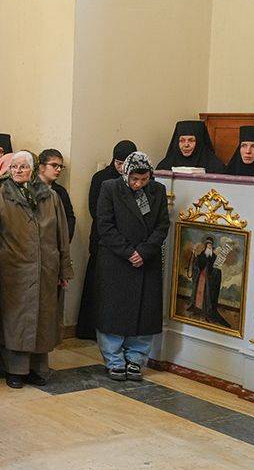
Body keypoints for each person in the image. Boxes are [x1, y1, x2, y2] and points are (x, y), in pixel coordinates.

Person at [0, 151, 72, 389]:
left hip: (46, 270)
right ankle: (15, 370)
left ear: (34, 170)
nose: (18, 170)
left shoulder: (51, 197)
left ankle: (38, 369)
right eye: (14, 167)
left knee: (42, 321)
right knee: (15, 323)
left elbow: (62, 235)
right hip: (13, 272)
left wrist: (64, 271)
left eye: (24, 167)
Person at [94, 151, 169, 381]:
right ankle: (114, 360)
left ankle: (136, 359)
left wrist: (143, 252)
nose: (138, 184)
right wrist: (129, 252)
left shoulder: (158, 191)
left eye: (144, 179)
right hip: (117, 259)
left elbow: (162, 225)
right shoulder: (110, 188)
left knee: (144, 312)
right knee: (114, 312)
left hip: (146, 259)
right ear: (126, 174)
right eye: (134, 179)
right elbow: (105, 225)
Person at [75, 139, 136, 340]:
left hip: (129, 242)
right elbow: (96, 210)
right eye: (118, 163)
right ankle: (91, 329)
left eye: (125, 164)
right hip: (103, 238)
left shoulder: (138, 180)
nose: (121, 168)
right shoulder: (101, 178)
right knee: (98, 283)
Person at [155, 119, 224, 172]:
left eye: (191, 140)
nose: (186, 145)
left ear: (200, 143)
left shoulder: (216, 167)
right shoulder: (165, 165)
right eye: (182, 140)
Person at [37, 148, 76, 239]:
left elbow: (69, 217)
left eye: (60, 166)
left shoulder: (60, 191)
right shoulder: (29, 188)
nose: (58, 169)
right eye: (54, 165)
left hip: (55, 240)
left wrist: (65, 238)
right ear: (42, 167)